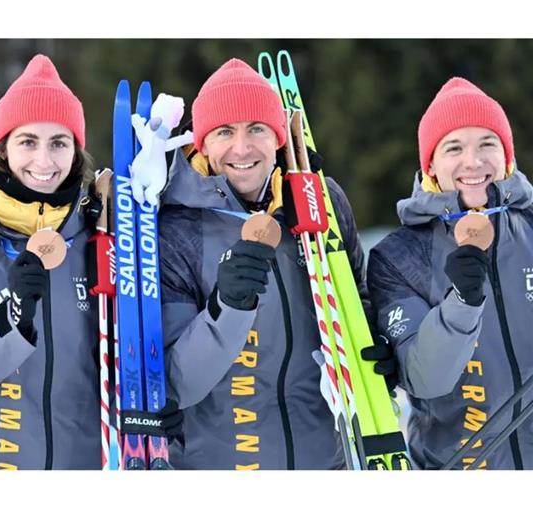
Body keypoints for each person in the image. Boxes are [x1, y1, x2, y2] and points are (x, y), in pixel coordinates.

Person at [0, 54, 179, 470]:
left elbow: (126, 354)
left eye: (59, 143)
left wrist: (152, 401)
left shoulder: (101, 235)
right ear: (0, 149)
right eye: (28, 141)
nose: (44, 161)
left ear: (76, 151)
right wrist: (12, 317)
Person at [158, 58, 369, 469]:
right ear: (201, 143)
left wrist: (378, 350)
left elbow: (357, 299)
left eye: (257, 128)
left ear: (277, 137)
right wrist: (226, 309)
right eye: (224, 132)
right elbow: (175, 383)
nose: (242, 148)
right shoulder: (176, 227)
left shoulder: (321, 200)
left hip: (326, 463)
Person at [366, 77, 533, 469]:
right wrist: (462, 302)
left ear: (506, 155)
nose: (473, 162)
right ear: (431, 165)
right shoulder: (399, 257)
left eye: (487, 144)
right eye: (454, 147)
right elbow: (426, 379)